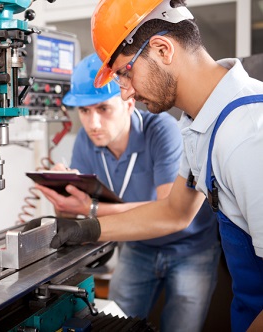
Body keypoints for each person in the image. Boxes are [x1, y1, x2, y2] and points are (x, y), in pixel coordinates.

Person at [25, 0, 263, 330]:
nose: (126, 93)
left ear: (163, 49)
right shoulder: (200, 125)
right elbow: (174, 212)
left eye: (125, 74)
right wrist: (85, 229)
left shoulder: (249, 133)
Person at [33, 53, 220, 332]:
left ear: (129, 103)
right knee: (116, 323)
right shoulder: (86, 140)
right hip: (137, 246)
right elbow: (77, 209)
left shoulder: (162, 131)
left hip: (190, 249)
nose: (93, 123)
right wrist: (63, 188)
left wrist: (90, 209)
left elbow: (167, 211)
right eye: (84, 111)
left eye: (103, 109)